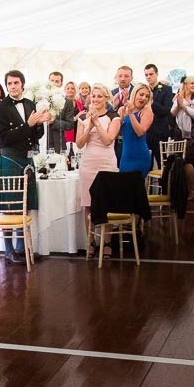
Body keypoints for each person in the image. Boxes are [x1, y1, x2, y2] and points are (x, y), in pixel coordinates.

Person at [0, 70, 50, 264]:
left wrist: (40, 125)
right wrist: (28, 125)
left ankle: (21, 248)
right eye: (9, 83)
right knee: (9, 206)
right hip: (10, 159)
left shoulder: (30, 104)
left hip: (27, 159)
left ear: (23, 84)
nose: (13, 86)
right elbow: (4, 138)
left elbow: (35, 136)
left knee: (24, 205)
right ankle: (8, 251)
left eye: (16, 83)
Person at [76, 84, 121, 257]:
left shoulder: (113, 117)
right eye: (93, 96)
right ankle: (91, 241)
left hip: (106, 163)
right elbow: (79, 144)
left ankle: (107, 241)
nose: (95, 99)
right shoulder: (83, 117)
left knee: (107, 204)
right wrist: (89, 126)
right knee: (88, 204)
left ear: (106, 98)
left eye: (99, 96)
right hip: (88, 164)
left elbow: (108, 140)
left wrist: (96, 122)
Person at [171, 75, 194, 199]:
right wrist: (178, 105)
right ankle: (181, 189)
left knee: (188, 160)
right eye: (191, 83)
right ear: (185, 85)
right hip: (180, 132)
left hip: (193, 133)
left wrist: (184, 107)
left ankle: (192, 189)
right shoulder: (179, 96)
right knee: (179, 159)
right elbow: (172, 113)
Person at [118, 84, 153, 178]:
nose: (144, 98)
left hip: (140, 156)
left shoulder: (146, 112)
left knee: (136, 185)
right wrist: (122, 115)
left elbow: (140, 132)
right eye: (141, 94)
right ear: (134, 94)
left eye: (147, 96)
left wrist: (130, 113)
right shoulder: (123, 109)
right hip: (125, 156)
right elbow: (118, 132)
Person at [144, 63, 174, 168]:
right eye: (146, 75)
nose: (148, 77)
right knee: (147, 162)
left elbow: (167, 110)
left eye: (151, 74)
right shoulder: (144, 90)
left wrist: (152, 102)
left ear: (157, 74)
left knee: (161, 162)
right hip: (146, 131)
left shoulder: (166, 89)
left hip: (160, 131)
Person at [51, 81, 79, 149]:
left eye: (72, 88)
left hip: (74, 131)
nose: (70, 90)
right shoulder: (44, 100)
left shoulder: (77, 103)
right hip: (60, 134)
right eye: (68, 88)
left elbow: (70, 123)